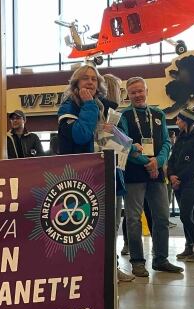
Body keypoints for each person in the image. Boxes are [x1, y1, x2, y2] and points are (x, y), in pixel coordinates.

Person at [57, 65, 134, 281]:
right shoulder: (68, 107)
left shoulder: (104, 107)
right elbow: (81, 135)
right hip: (84, 181)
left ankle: (110, 269)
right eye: (85, 79)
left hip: (110, 176)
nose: (90, 82)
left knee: (111, 227)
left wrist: (124, 142)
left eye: (93, 79)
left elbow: (109, 140)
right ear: (76, 83)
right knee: (85, 229)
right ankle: (83, 272)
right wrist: (89, 105)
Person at [118, 77, 183, 276]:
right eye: (133, 92)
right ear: (128, 95)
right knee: (133, 219)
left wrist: (159, 161)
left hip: (156, 173)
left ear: (146, 91)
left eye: (140, 91)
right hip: (134, 173)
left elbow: (165, 142)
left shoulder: (158, 114)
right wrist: (147, 163)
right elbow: (124, 145)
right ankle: (137, 261)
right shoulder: (123, 116)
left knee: (162, 217)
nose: (137, 95)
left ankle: (161, 259)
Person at [168, 106, 194, 262]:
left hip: (193, 182)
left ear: (185, 121)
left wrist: (179, 178)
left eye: (178, 119)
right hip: (178, 183)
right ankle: (188, 246)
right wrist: (171, 175)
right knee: (186, 216)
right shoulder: (181, 138)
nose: (176, 121)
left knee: (186, 216)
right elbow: (172, 159)